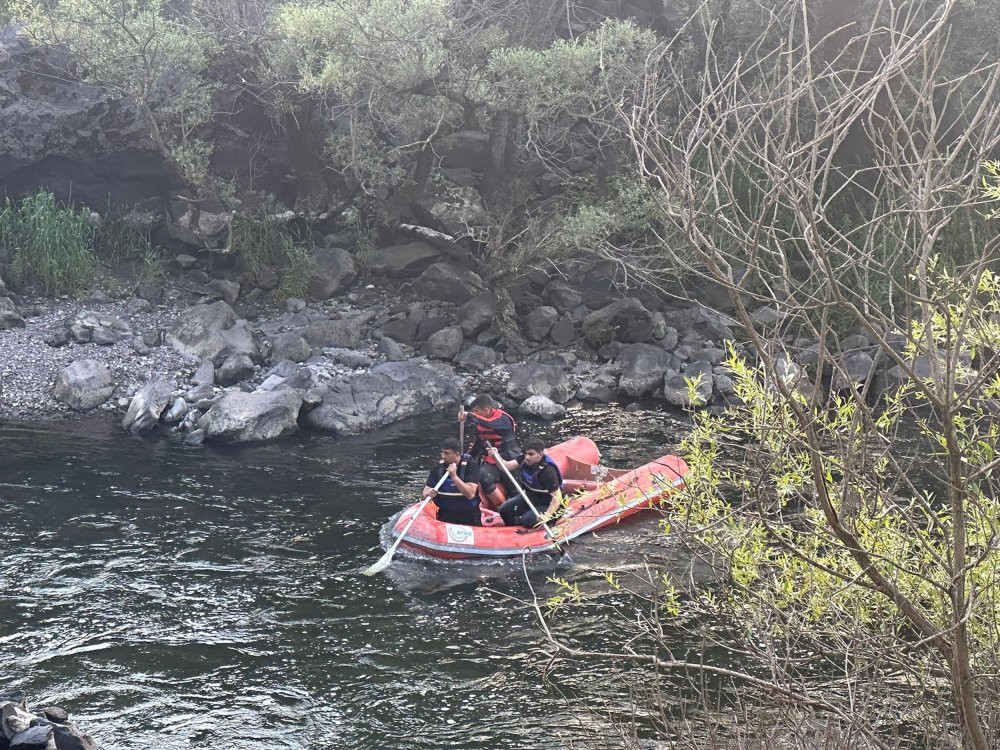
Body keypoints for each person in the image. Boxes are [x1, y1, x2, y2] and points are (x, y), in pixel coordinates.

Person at [458, 394, 520, 509]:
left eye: (476, 411)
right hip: (491, 460)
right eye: (473, 412)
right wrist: (464, 459)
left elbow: (490, 424)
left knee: (514, 485)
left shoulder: (503, 419)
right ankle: (501, 507)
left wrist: (469, 416)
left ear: (486, 410)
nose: (475, 414)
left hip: (509, 457)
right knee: (483, 476)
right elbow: (478, 444)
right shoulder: (480, 423)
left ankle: (516, 505)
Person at [488, 437, 564, 529]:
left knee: (527, 520)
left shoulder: (548, 471)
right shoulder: (524, 459)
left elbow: (557, 498)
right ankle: (512, 530)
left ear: (540, 453)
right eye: (526, 454)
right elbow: (506, 467)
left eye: (531, 454)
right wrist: (496, 456)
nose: (527, 457)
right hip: (531, 497)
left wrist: (546, 516)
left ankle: (543, 525)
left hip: (547, 503)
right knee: (504, 510)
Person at [422, 437, 481, 526]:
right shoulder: (439, 468)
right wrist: (428, 494)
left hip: (469, 517)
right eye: (442, 452)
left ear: (457, 454)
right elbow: (424, 494)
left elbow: (470, 494)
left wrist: (454, 477)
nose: (443, 456)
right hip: (445, 515)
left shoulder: (471, 466)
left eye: (447, 453)